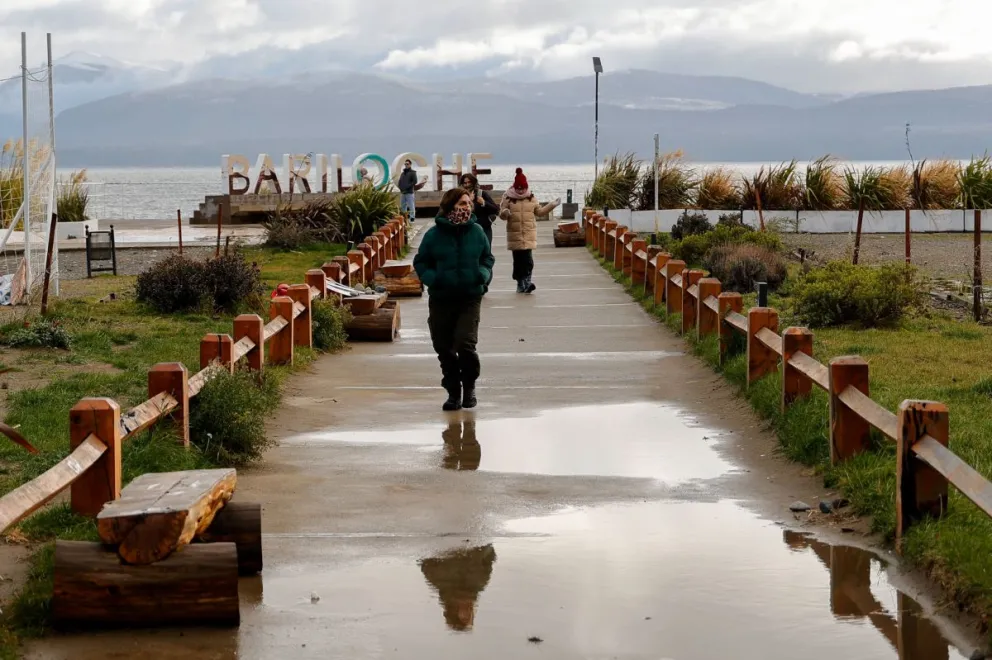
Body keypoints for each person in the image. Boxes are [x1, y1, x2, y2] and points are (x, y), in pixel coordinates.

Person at [414, 187, 496, 411]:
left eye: (469, 204)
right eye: (462, 204)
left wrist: (482, 276)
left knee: (465, 344)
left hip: (470, 297)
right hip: (442, 298)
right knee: (444, 346)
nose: (467, 208)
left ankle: (469, 386)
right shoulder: (433, 234)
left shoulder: (477, 231)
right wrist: (434, 279)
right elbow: (421, 262)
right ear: (450, 206)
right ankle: (453, 392)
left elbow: (487, 258)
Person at [499, 168, 560, 294]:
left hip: (528, 233)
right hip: (514, 234)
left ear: (526, 187)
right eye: (518, 188)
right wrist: (505, 213)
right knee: (518, 261)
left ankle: (527, 283)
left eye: (522, 188)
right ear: (515, 187)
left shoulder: (531, 198)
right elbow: (501, 214)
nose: (520, 191)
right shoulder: (507, 198)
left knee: (528, 260)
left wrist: (552, 205)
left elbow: (540, 212)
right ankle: (520, 283)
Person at [460, 172, 499, 246]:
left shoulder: (481, 194)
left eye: (469, 182)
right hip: (467, 231)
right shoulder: (459, 196)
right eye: (465, 183)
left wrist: (484, 203)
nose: (467, 185)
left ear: (474, 183)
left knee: (486, 254)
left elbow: (495, 209)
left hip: (484, 229)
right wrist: (470, 202)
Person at [398, 159, 427, 223]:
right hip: (403, 192)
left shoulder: (413, 172)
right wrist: (401, 188)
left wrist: (407, 187)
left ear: (410, 164)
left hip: (409, 192)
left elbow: (415, 181)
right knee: (403, 206)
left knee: (411, 205)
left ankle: (412, 218)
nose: (406, 165)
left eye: (407, 164)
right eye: (405, 164)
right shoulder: (403, 173)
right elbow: (400, 181)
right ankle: (404, 218)